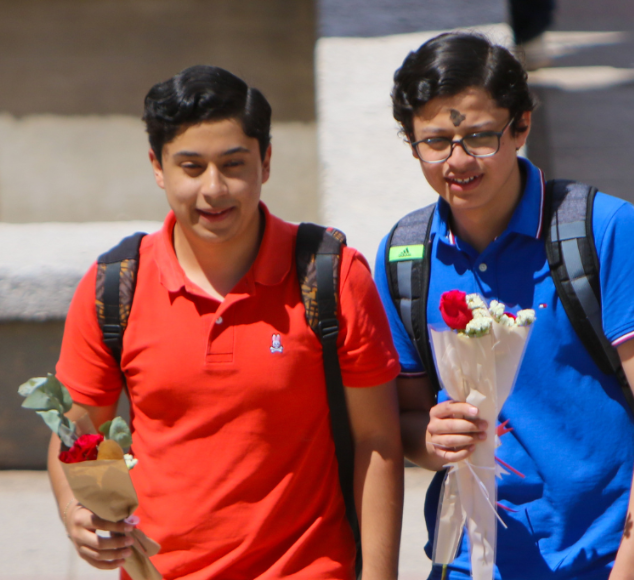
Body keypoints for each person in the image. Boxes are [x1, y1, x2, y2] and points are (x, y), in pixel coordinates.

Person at [48, 65, 403, 580]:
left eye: (233, 165)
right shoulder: (114, 286)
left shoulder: (332, 275)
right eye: (191, 167)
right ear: (157, 166)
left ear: (266, 161)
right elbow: (76, 432)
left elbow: (379, 441)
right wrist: (75, 513)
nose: (214, 189)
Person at [374, 33, 634, 579]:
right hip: (469, 563)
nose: (457, 161)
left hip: (604, 558)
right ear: (412, 143)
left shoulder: (601, 230)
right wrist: (429, 439)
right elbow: (401, 422)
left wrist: (633, 569)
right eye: (436, 141)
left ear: (521, 125)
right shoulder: (405, 255)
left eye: (479, 137)